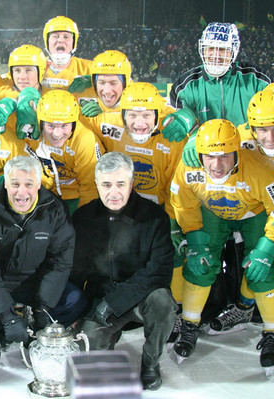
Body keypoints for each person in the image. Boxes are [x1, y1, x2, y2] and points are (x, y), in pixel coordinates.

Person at [170, 119, 274, 371]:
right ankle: (190, 324)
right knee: (199, 262)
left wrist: (268, 246)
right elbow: (182, 201)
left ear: (237, 151)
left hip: (254, 213)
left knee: (262, 269)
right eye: (209, 156)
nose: (216, 164)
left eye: (225, 155)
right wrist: (193, 235)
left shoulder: (258, 168)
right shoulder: (188, 167)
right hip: (213, 211)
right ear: (199, 153)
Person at [0, 156, 87, 365]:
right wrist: (6, 315)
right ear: (5, 185)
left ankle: (37, 327)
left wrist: (43, 307)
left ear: (38, 184)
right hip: (0, 283)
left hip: (36, 282)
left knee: (75, 300)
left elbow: (59, 262)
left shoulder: (54, 210)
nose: (21, 192)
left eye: (29, 184)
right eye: (15, 184)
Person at [70, 152, 176, 391]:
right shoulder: (82, 217)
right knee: (88, 347)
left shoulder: (155, 216)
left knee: (163, 304)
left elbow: (158, 271)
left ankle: (150, 364)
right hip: (100, 300)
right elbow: (75, 271)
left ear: (131, 183)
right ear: (97, 184)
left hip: (142, 297)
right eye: (106, 185)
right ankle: (108, 338)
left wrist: (115, 303)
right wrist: (72, 311)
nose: (114, 192)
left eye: (121, 184)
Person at [84, 82, 186, 310]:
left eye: (147, 115)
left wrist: (173, 220)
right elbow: (65, 125)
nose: (139, 124)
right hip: (120, 206)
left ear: (158, 115)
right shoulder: (109, 124)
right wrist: (88, 109)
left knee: (176, 253)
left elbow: (177, 186)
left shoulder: (173, 137)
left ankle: (177, 309)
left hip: (158, 210)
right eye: (132, 115)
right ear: (122, 115)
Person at [163, 22, 270, 143]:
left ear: (233, 51)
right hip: (204, 155)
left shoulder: (257, 80)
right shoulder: (184, 86)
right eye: (211, 48)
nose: (215, 55)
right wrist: (190, 130)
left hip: (248, 153)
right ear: (202, 49)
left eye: (223, 49)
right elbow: (170, 122)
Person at [25, 89, 103, 214]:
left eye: (64, 126)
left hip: (75, 195)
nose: (57, 134)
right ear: (40, 122)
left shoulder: (85, 139)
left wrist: (84, 217)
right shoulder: (31, 131)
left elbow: (90, 188)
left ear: (73, 123)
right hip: (42, 191)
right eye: (50, 125)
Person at [40, 16, 92, 92]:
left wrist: (96, 81)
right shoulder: (36, 68)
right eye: (55, 36)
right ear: (47, 42)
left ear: (73, 42)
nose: (60, 40)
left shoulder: (90, 68)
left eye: (66, 37)